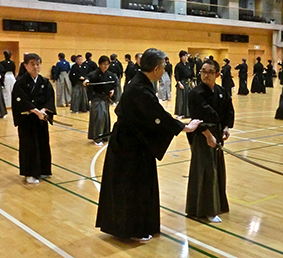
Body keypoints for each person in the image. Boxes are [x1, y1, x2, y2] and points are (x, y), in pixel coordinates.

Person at [95, 48, 202, 241]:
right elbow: (157, 116)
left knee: (138, 185)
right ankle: (132, 229)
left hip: (134, 143)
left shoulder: (140, 83)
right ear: (155, 69)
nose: (164, 70)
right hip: (129, 146)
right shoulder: (139, 88)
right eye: (163, 67)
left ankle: (140, 226)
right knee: (133, 187)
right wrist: (184, 127)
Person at [185, 59, 234, 223]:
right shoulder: (196, 93)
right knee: (206, 170)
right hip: (202, 136)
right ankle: (205, 209)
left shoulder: (222, 91)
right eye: (203, 72)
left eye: (209, 72)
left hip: (217, 134)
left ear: (217, 74)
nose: (205, 75)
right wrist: (208, 135)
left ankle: (217, 204)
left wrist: (226, 127)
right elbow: (197, 118)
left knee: (217, 169)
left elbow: (228, 110)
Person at [12, 53, 55, 185]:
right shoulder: (20, 83)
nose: (36, 67)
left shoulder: (44, 82)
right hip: (27, 120)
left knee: (43, 143)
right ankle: (30, 173)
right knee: (29, 146)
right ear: (25, 66)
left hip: (41, 119)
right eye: (32, 64)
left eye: (38, 64)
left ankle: (43, 169)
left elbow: (50, 98)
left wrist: (44, 110)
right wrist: (35, 111)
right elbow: (20, 100)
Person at [84, 55, 118, 146]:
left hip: (105, 98)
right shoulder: (95, 74)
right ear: (99, 64)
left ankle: (105, 136)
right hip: (96, 98)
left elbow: (115, 84)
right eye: (103, 64)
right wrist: (86, 81)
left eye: (107, 64)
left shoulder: (110, 75)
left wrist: (112, 90)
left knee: (105, 117)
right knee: (99, 117)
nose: (105, 66)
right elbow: (88, 77)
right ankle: (97, 137)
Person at [174, 50, 194, 118]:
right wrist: (179, 83)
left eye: (186, 56)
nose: (185, 57)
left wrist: (192, 82)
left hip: (188, 83)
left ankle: (188, 113)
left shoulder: (188, 65)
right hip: (182, 83)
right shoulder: (178, 66)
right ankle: (180, 114)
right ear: (181, 57)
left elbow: (191, 74)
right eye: (184, 56)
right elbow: (177, 75)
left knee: (189, 98)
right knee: (181, 99)